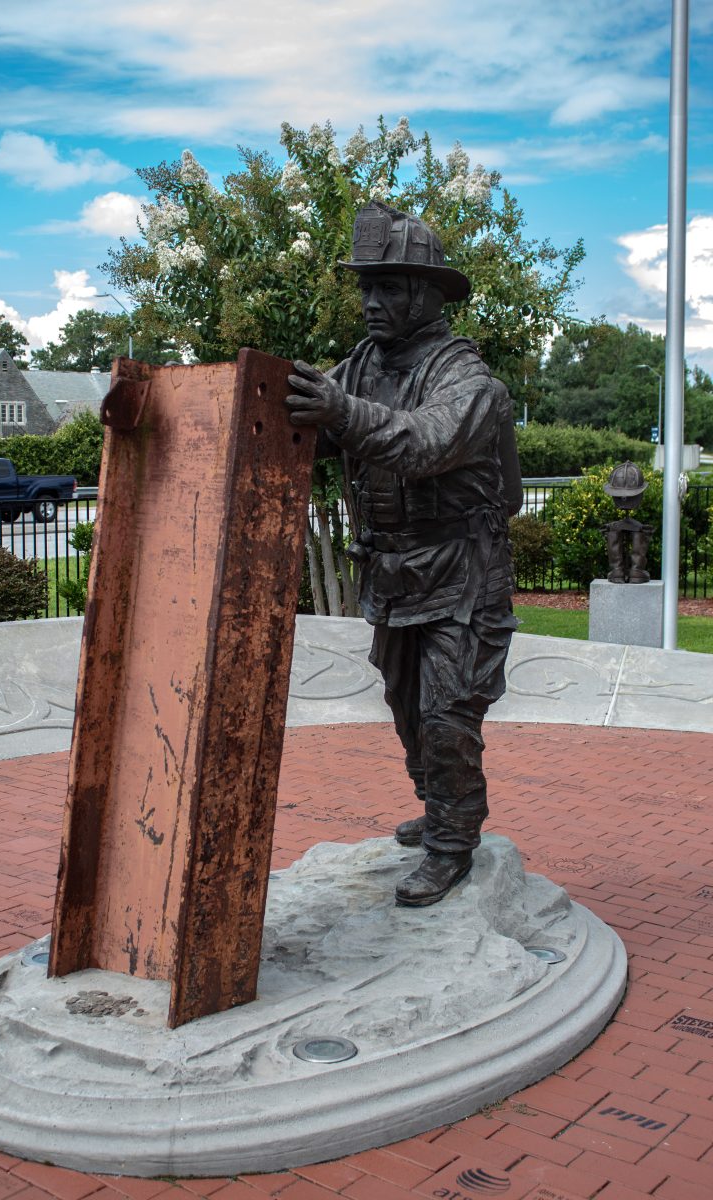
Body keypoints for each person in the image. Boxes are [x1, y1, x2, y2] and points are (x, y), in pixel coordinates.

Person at [285, 201, 519, 907]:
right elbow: (308, 422)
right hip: (392, 571)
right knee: (405, 704)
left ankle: (453, 841)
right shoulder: (362, 366)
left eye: (387, 287)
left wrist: (338, 412)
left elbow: (422, 444)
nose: (371, 302)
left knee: (448, 714)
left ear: (427, 295)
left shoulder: (469, 381)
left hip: (463, 573)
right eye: (367, 287)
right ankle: (437, 805)